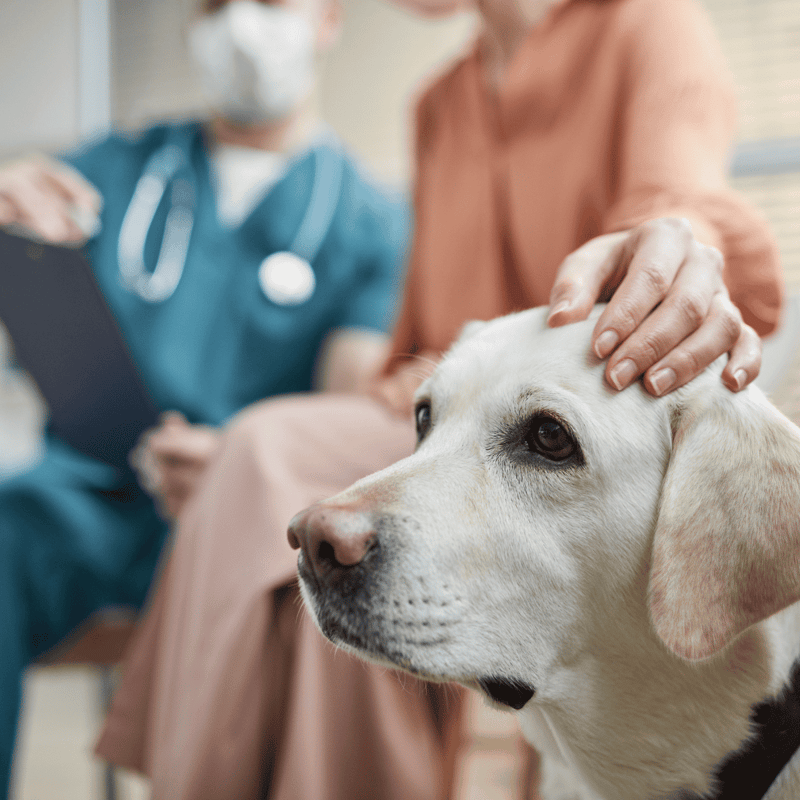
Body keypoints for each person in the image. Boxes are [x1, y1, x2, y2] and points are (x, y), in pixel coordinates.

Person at [96, 0, 784, 797]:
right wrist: (280, 454)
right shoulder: (437, 103)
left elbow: (678, 196)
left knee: (264, 457)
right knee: (264, 475)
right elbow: (418, 353)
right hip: (434, 422)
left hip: (578, 425)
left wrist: (673, 244)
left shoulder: (645, 25)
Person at [0, 0, 410, 794]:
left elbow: (345, 413)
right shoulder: (118, 170)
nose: (242, 28)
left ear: (328, 18)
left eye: (270, 3)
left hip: (248, 527)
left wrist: (236, 466)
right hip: (89, 507)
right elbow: (28, 244)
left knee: (306, 621)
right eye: (217, 5)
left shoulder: (371, 223)